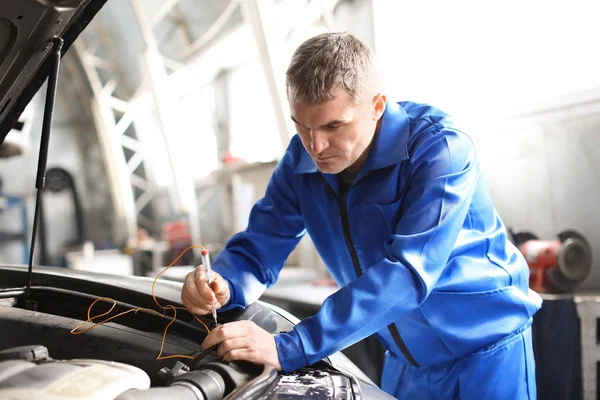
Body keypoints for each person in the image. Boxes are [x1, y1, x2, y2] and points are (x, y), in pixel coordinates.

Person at [181, 32, 542, 399]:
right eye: (302, 126)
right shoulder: (299, 161)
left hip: (486, 356)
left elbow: (407, 273)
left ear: (377, 106)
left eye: (333, 126)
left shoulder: (441, 150)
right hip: (405, 361)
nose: (315, 147)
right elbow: (260, 246)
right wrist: (224, 283)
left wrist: (289, 346)